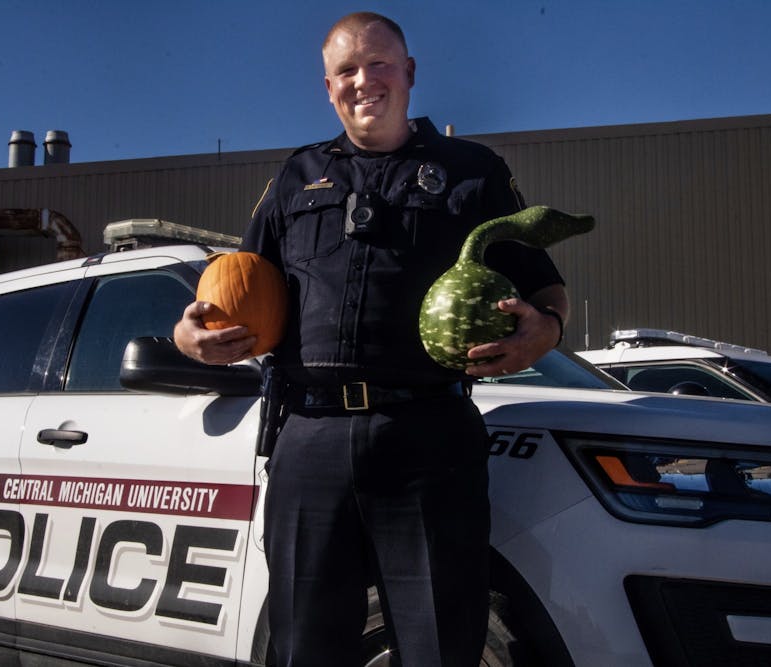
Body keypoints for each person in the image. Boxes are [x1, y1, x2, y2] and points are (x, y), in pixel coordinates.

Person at [174, 12, 568, 666]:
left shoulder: (472, 172)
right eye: (347, 70)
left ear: (409, 73)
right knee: (303, 645)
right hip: (310, 439)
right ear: (328, 87)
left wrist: (545, 330)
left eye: (379, 64)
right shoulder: (296, 176)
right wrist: (189, 335)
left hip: (429, 438)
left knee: (440, 644)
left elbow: (544, 285)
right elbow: (236, 286)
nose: (364, 81)